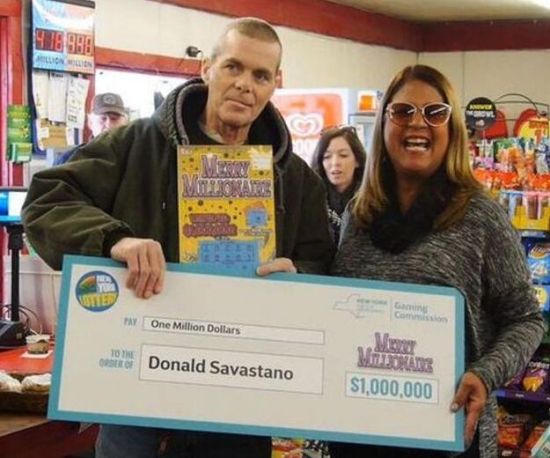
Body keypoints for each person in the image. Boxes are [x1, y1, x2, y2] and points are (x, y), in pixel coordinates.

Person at [22, 17, 334, 458]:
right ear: (206, 68)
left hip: (239, 392)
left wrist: (298, 273)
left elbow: (322, 258)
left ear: (275, 84)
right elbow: (45, 201)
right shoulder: (134, 145)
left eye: (261, 75)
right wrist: (115, 240)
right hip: (137, 386)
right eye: (233, 67)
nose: (245, 85)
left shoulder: (295, 178)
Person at [259, 65, 545, 458]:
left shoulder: (480, 215)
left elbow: (526, 319)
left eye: (435, 112)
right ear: (383, 124)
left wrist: (485, 374)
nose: (417, 123)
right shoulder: (359, 213)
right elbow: (340, 306)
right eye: (403, 111)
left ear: (452, 129)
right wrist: (299, 279)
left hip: (447, 434)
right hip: (359, 433)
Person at [311, 125, 366, 241]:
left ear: (357, 160)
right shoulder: (311, 197)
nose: (335, 162)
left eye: (343, 155)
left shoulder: (371, 197)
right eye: (327, 157)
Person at [53, 92, 129, 165]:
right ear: (90, 122)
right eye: (103, 119)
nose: (108, 125)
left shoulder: (132, 160)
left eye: (114, 119)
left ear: (125, 123)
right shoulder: (69, 160)